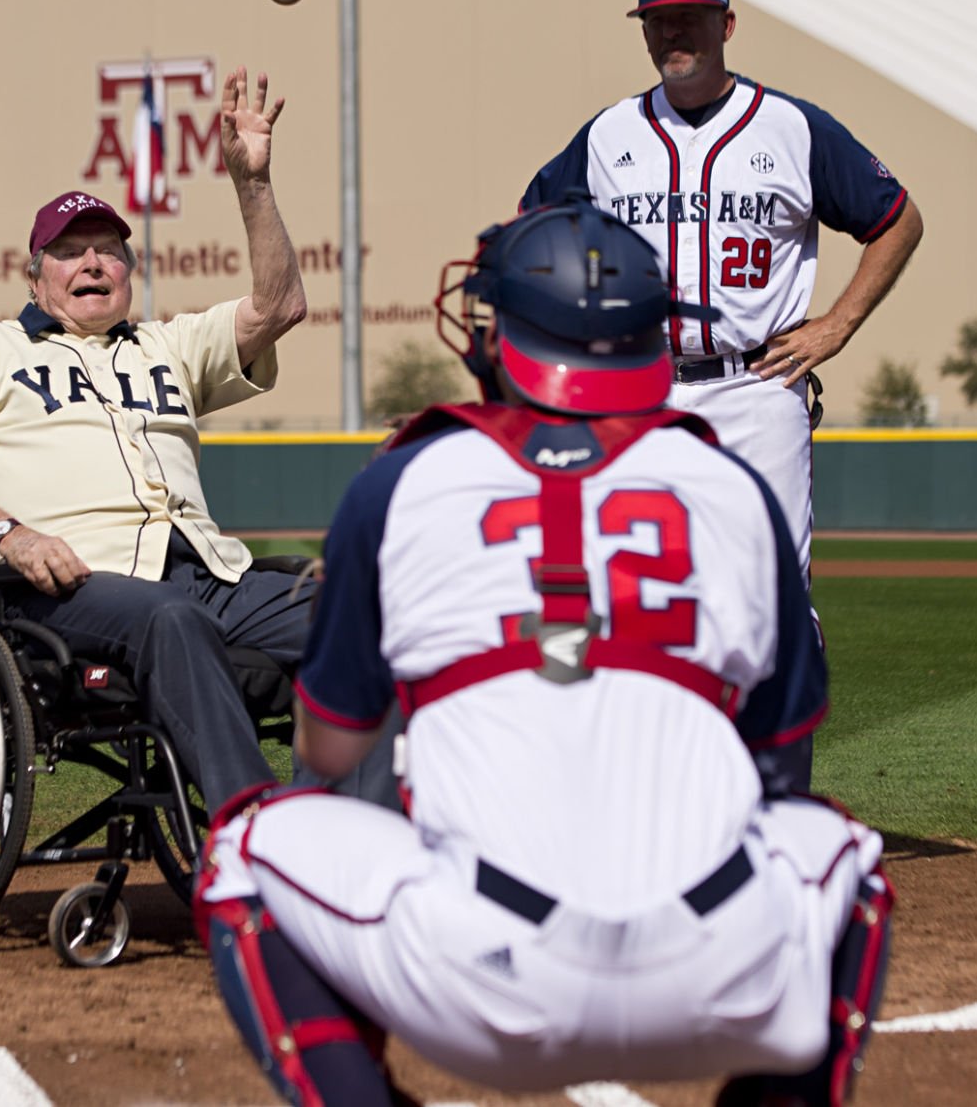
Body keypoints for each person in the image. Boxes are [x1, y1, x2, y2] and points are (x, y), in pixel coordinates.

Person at [193, 202, 894, 1107]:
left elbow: (327, 750)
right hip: (716, 975)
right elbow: (777, 763)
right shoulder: (734, 487)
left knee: (244, 849)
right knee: (852, 860)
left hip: (481, 986)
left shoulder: (402, 479)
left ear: (502, 341)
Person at [0, 67, 317, 814]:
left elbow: (279, 306)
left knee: (363, 610)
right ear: (34, 275)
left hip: (208, 575)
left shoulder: (166, 345)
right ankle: (254, 835)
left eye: (108, 248)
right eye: (69, 249)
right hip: (67, 588)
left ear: (129, 268)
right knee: (169, 619)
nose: (91, 262)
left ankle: (340, 829)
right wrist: (11, 534)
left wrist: (253, 184)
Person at [521, 0, 924, 596]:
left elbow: (897, 220)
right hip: (641, 391)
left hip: (756, 387)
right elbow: (531, 231)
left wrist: (838, 325)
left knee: (771, 597)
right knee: (640, 595)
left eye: (690, 18)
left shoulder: (793, 127)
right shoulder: (607, 134)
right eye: (659, 21)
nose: (673, 33)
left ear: (727, 26)